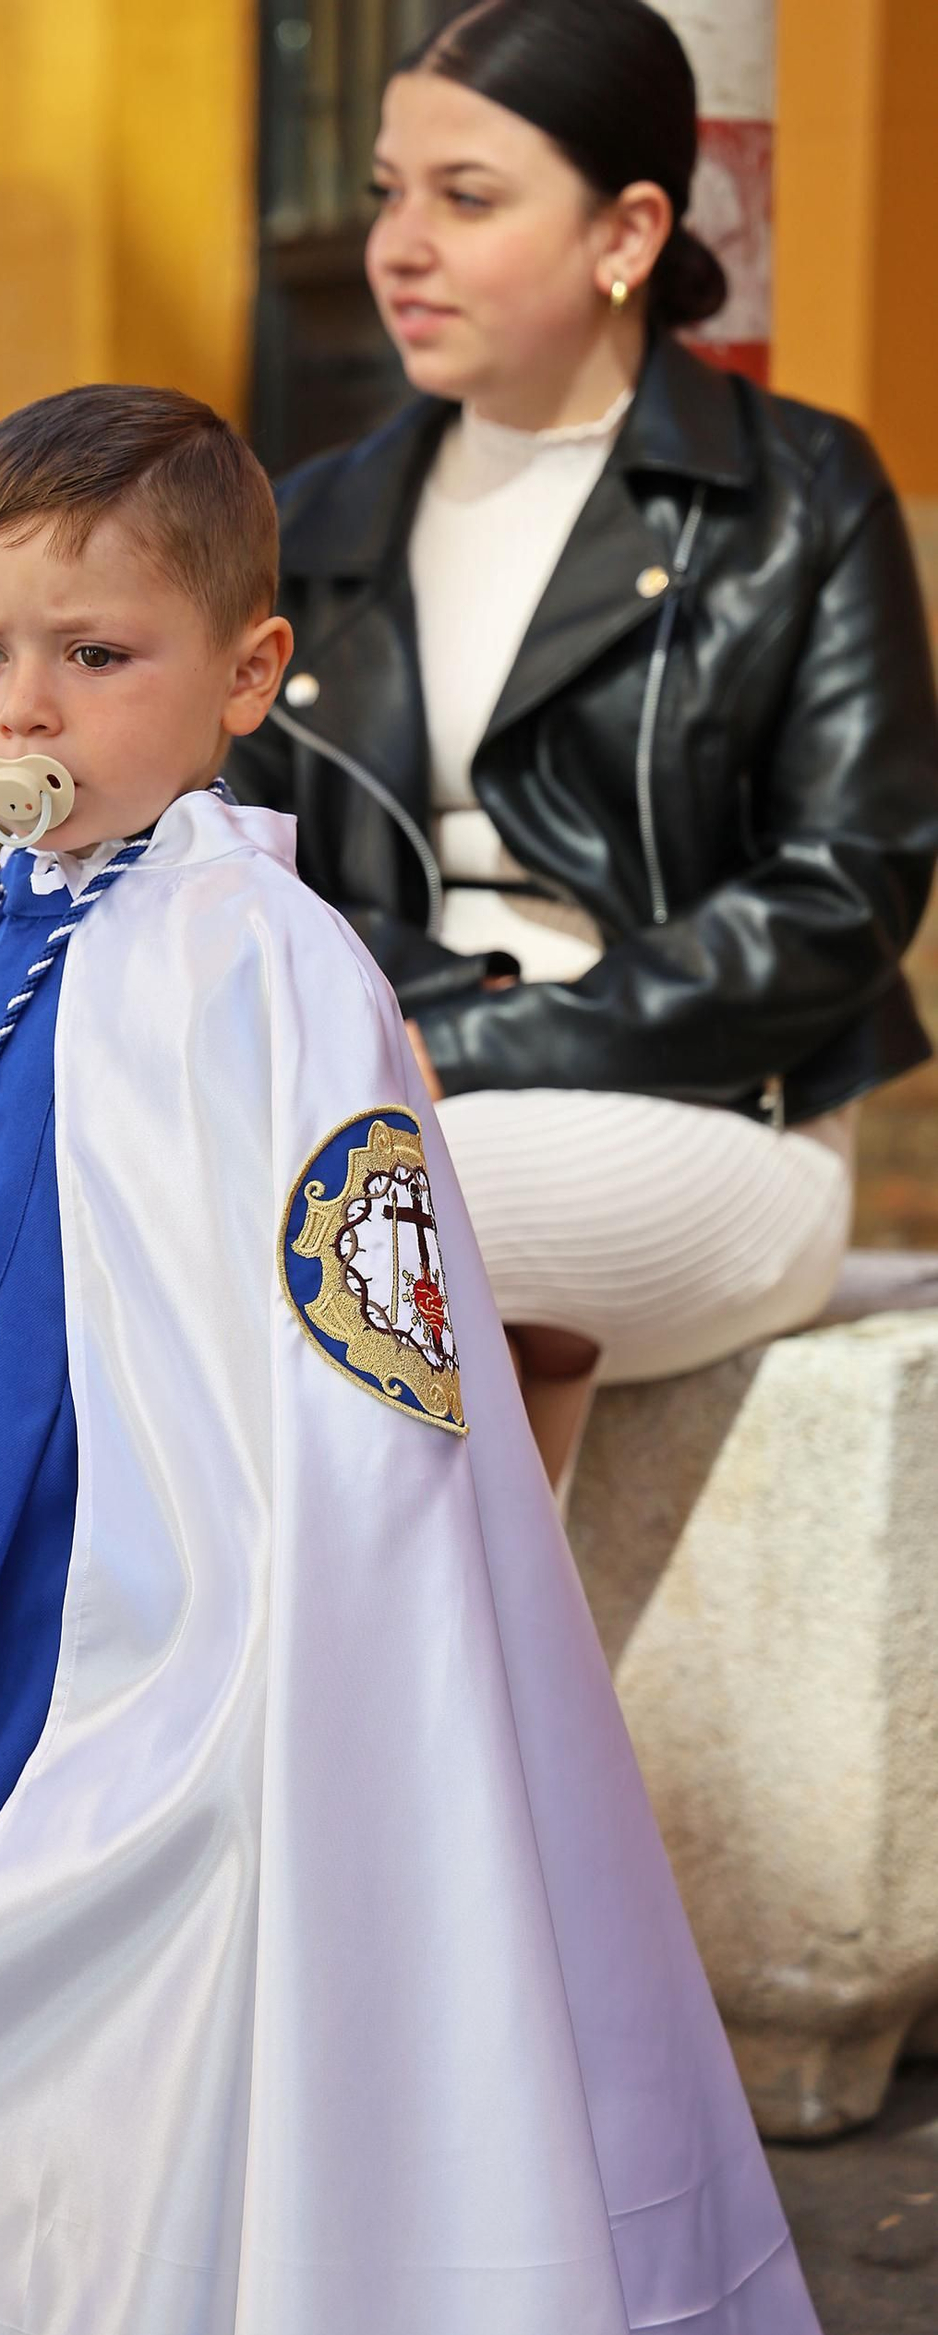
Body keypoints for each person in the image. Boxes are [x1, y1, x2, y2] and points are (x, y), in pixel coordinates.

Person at [0, 386, 839, 2335]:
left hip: (137, 1603)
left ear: (244, 674)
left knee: (72, 1972)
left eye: (96, 659)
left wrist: (303, 1638)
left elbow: (368, 1339)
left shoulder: (264, 961)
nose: (27, 714)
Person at [230, 0, 938, 1494]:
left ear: (626, 231)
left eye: (465, 197)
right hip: (380, 1088)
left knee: (364, 1223)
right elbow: (245, 868)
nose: (394, 246)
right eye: (386, 191)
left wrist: (468, 1043)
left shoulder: (796, 496)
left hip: (707, 1115)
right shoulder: (317, 524)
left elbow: (842, 894)